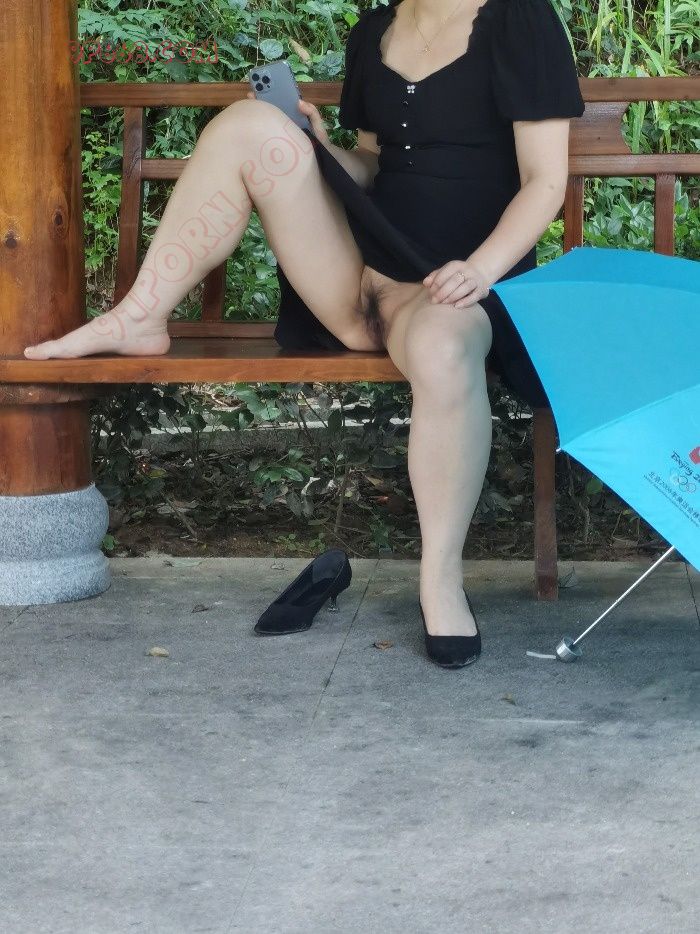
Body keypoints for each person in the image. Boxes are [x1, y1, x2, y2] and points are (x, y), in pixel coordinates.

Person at [23, 0, 585, 665]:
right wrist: (318, 149)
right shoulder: (375, 31)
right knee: (250, 126)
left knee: (442, 348)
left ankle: (440, 579)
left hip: (452, 290)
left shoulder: (521, 21)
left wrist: (481, 271)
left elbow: (545, 181)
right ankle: (140, 315)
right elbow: (374, 167)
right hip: (362, 273)